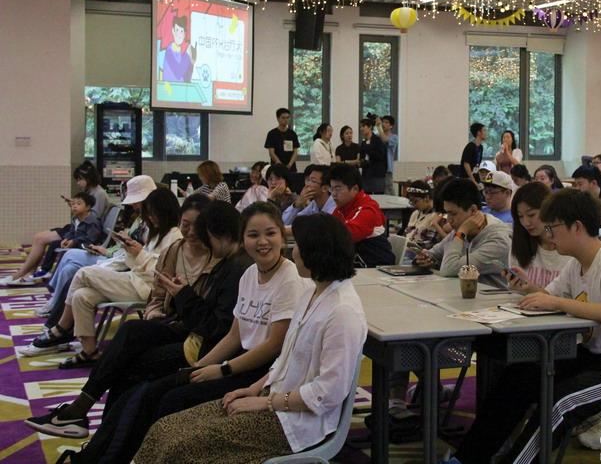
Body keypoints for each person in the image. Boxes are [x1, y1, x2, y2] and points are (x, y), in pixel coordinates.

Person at [32, 203, 304, 461]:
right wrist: (200, 367)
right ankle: (94, 451)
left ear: (283, 236)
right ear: (242, 237)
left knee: (154, 395)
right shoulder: (248, 274)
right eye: (253, 235)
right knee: (137, 378)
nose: (262, 242)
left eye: (270, 233)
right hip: (218, 355)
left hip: (252, 371)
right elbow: (234, 334)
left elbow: (270, 345)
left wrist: (219, 369)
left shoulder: (281, 278)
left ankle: (100, 450)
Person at [444, 189, 601, 464]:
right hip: (600, 356)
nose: (548, 235)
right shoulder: (576, 264)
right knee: (520, 375)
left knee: (561, 403)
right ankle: (467, 458)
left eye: (553, 228)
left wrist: (557, 302)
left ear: (576, 227)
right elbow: (549, 297)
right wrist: (532, 292)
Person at [134, 214, 366, 464]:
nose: (293, 252)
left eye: (298, 245)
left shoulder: (342, 312)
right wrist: (253, 389)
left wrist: (266, 403)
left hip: (296, 424)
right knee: (163, 429)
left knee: (181, 446)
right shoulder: (313, 291)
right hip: (275, 400)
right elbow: (285, 361)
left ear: (315, 252)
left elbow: (327, 393)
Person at [30, 188, 183, 366]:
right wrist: (131, 251)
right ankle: (89, 352)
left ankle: (62, 326)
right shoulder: (156, 234)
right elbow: (138, 264)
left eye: (153, 213)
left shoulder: (174, 236)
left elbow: (161, 273)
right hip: (135, 280)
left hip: (147, 289)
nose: (151, 218)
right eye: (149, 214)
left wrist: (140, 253)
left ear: (165, 212)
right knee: (81, 296)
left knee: (84, 272)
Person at [23, 175, 156, 349]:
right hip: (122, 263)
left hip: (133, 275)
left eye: (136, 201)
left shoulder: (160, 228)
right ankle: (81, 344)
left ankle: (59, 325)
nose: (133, 205)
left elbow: (151, 263)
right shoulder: (141, 220)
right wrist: (112, 249)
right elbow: (133, 252)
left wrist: (120, 251)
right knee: (72, 273)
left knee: (76, 266)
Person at [415, 178, 510, 286]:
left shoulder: (498, 240)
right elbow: (432, 253)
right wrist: (424, 259)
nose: (449, 220)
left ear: (473, 210)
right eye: (447, 213)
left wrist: (461, 232)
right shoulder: (461, 229)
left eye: (453, 214)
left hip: (490, 296)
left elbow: (449, 270)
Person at [2, 192, 103, 287]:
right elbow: (72, 231)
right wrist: (67, 239)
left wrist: (74, 241)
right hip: (75, 241)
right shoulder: (76, 218)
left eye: (78, 204)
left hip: (85, 246)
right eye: (73, 204)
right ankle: (44, 270)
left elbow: (90, 239)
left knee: (53, 243)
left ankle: (43, 271)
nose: (74, 206)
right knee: (54, 244)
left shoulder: (92, 221)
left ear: (88, 207)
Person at [508, 182, 575, 287]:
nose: (526, 223)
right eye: (520, 216)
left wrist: (531, 289)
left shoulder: (571, 248)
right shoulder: (520, 244)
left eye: (531, 215)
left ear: (548, 209)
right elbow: (514, 290)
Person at [330, 163, 394, 268]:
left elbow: (345, 235)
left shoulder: (368, 210)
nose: (333, 194)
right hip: (358, 265)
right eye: (331, 189)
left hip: (376, 268)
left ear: (355, 189)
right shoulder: (342, 207)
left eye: (338, 188)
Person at [400, 181, 442, 264]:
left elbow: (431, 243)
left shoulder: (436, 216)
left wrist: (410, 246)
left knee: (402, 260)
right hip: (407, 250)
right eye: (411, 201)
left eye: (415, 201)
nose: (413, 205)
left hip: (420, 254)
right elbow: (406, 234)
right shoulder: (415, 213)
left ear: (426, 198)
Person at [162, 16, 195, 82]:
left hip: (179, 86)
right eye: (177, 30)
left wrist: (191, 63)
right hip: (169, 87)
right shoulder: (169, 51)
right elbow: (178, 73)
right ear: (173, 31)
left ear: (184, 34)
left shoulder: (179, 52)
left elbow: (186, 77)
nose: (179, 34)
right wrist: (187, 55)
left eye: (181, 31)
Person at [359, 118, 388, 194]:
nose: (361, 129)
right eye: (360, 127)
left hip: (377, 175)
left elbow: (380, 156)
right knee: (366, 196)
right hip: (366, 175)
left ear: (370, 127)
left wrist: (367, 148)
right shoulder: (363, 142)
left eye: (363, 126)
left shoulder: (377, 140)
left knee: (379, 197)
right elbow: (362, 156)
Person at [378, 115, 399, 195]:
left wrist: (379, 127)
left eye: (386, 122)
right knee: (380, 190)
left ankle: (395, 202)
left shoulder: (394, 137)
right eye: (383, 122)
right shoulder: (377, 136)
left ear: (391, 126)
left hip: (387, 168)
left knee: (389, 188)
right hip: (378, 167)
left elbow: (385, 140)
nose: (383, 124)